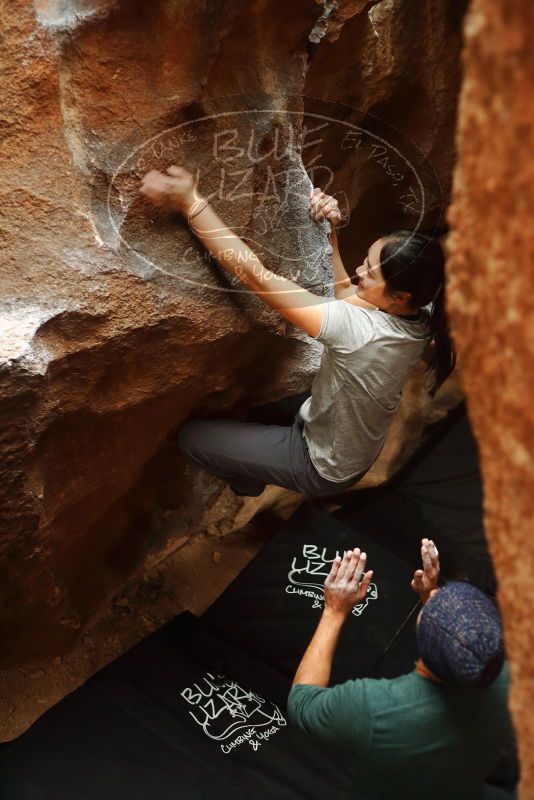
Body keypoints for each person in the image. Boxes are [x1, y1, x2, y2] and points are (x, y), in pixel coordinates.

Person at [139, 168, 456, 498]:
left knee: (193, 439)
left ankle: (248, 483)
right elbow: (346, 292)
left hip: (321, 463)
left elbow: (255, 277)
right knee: (255, 411)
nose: (360, 270)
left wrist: (191, 202)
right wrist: (330, 233)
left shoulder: (362, 334)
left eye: (371, 272)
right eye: (365, 260)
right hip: (345, 431)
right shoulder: (422, 311)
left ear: (400, 296)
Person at [287, 539, 512, 800]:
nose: (439, 595)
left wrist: (334, 610)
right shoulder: (508, 680)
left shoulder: (378, 708)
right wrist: (430, 595)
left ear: (423, 645)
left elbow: (301, 703)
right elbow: (463, 645)